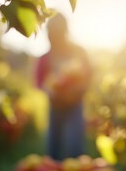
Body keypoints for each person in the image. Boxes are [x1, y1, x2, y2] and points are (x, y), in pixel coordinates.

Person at [35, 13, 92, 160]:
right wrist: (49, 90)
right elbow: (39, 81)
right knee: (53, 144)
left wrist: (78, 90)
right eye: (51, 34)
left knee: (74, 145)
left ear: (65, 32)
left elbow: (88, 75)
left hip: (74, 105)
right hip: (56, 106)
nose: (54, 38)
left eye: (58, 33)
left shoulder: (78, 52)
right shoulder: (45, 57)